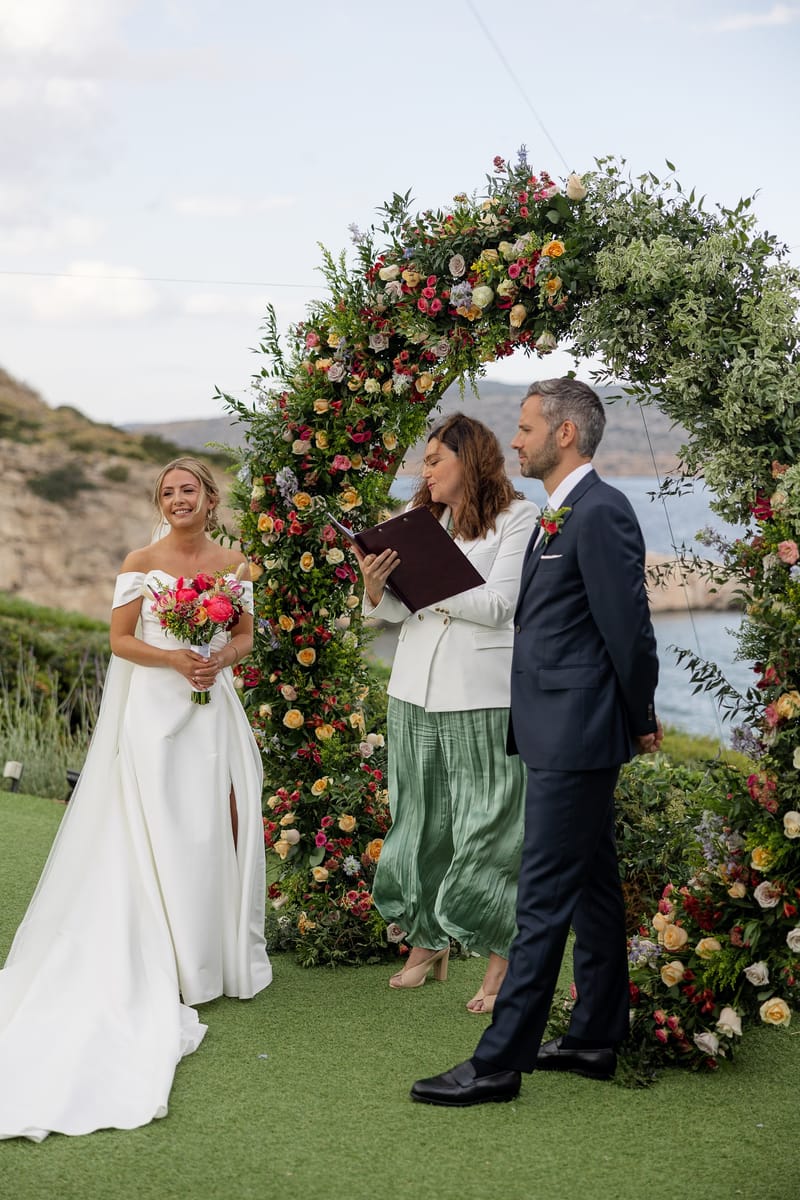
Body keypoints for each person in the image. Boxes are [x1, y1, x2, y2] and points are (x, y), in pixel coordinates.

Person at [0, 456, 271, 1141]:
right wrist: (176, 658)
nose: (178, 499)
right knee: (166, 831)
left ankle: (211, 954)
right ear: (162, 502)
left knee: (215, 830)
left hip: (215, 712)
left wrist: (218, 660)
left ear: (210, 499)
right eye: (167, 492)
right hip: (154, 716)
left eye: (189, 490)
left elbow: (243, 635)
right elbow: (121, 641)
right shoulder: (140, 559)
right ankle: (171, 961)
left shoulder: (237, 565)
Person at [410, 378, 662, 1106]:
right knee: (593, 888)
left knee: (543, 897)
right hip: (557, 729)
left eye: (523, 428)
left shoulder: (601, 512)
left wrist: (640, 714)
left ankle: (498, 1063)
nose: (513, 440)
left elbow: (629, 633)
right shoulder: (560, 514)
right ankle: (592, 1037)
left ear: (566, 436)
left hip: (578, 735)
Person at [356, 414, 538, 1010]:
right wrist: (376, 587)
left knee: (489, 827)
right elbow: (391, 616)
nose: (425, 470)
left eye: (436, 459)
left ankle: (499, 963)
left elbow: (500, 606)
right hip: (411, 690)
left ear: (471, 462)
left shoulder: (520, 518)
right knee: (419, 819)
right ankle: (426, 943)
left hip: (481, 694)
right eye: (424, 460)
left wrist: (428, 577)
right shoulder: (423, 522)